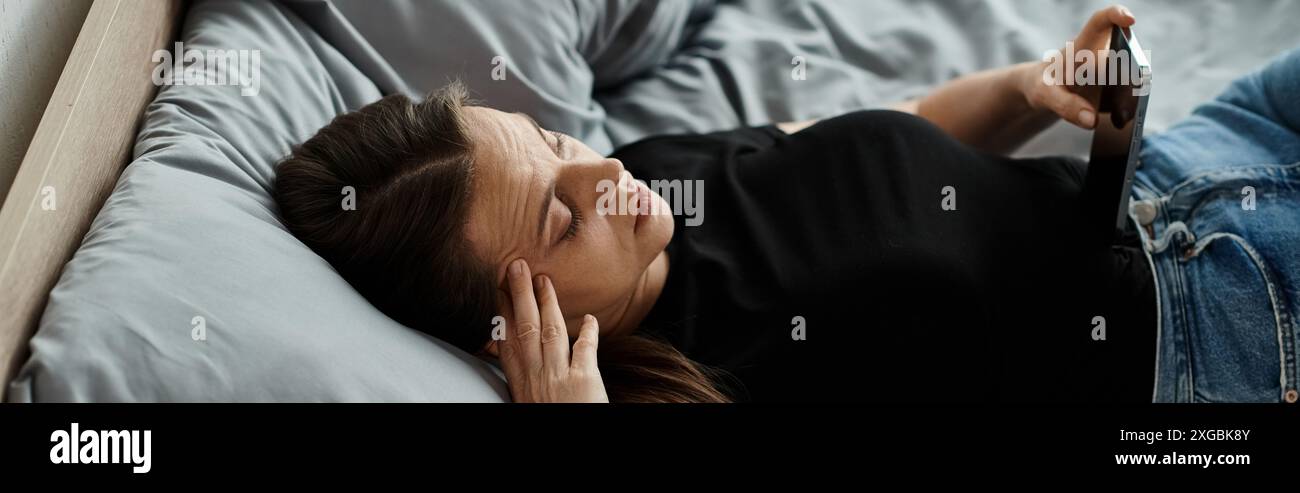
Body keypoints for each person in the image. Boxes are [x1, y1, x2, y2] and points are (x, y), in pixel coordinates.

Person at [273, 6, 1300, 403]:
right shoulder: (697, 381)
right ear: (512, 330)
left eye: (554, 144)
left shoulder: (651, 170)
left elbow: (875, 137)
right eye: (556, 218)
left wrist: (1023, 87)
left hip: (1197, 157)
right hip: (1224, 328)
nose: (599, 177)